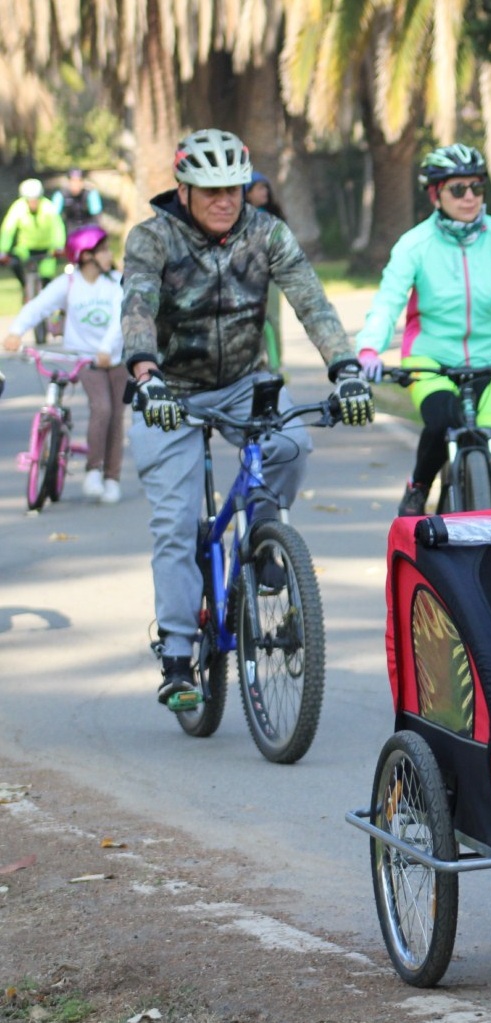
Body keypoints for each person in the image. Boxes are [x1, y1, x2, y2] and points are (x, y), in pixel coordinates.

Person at [121, 127, 373, 706]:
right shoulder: (152, 239)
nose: (224, 201)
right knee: (176, 522)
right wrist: (146, 375)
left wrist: (346, 369)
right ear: (182, 190)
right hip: (169, 394)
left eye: (233, 188)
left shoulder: (266, 234)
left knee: (294, 445)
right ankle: (180, 654)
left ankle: (263, 541)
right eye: (210, 190)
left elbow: (312, 300)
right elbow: (137, 307)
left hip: (243, 382)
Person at [354, 143, 491, 515]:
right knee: (443, 421)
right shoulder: (414, 245)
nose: (469, 197)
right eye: (458, 189)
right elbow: (389, 300)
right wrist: (370, 349)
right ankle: (418, 487)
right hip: (431, 359)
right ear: (436, 194)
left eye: (476, 187)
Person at [2, 225, 128, 503]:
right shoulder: (69, 283)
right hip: (83, 357)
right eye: (103, 250)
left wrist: (107, 349)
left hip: (115, 357)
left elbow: (123, 316)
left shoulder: (116, 282)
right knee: (101, 408)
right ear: (85, 256)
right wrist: (16, 330)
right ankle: (94, 469)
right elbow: (40, 305)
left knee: (116, 416)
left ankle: (111, 477)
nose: (109, 255)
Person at [244, 172, 287, 372]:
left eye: (266, 187)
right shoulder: (238, 218)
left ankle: (275, 365)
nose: (265, 192)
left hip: (268, 278)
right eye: (259, 188)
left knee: (271, 321)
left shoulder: (271, 217)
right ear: (247, 192)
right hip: (245, 279)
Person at [0, 178, 67, 291]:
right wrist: (3, 250)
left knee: (47, 278)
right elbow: (8, 229)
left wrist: (59, 246)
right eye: (30, 200)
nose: (33, 203)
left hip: (47, 249)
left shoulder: (48, 207)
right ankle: (25, 288)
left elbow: (58, 227)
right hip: (25, 249)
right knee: (16, 264)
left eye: (35, 200)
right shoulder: (18, 207)